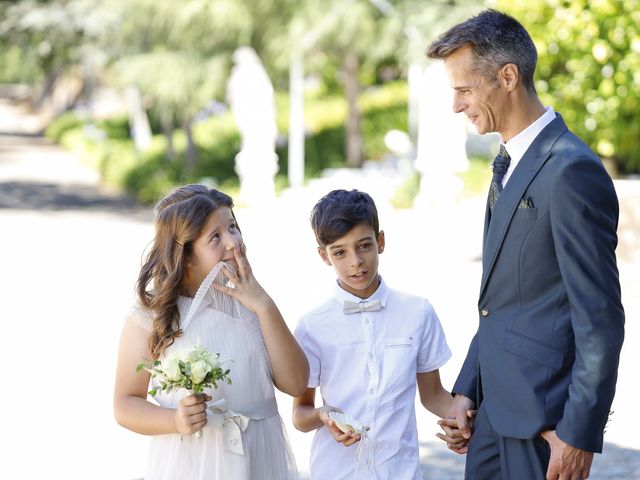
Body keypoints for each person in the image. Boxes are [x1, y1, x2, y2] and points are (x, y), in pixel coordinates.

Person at [426, 9, 625, 480]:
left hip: (545, 425)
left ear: (508, 76)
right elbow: (502, 303)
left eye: (465, 89)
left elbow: (600, 319)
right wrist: (465, 394)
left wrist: (578, 432)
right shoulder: (507, 162)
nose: (457, 105)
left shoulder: (571, 171)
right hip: (491, 415)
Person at [113, 184, 309, 479]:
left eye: (232, 227)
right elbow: (125, 404)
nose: (233, 242)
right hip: (195, 462)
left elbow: (296, 384)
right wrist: (175, 421)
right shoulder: (151, 316)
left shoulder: (251, 304)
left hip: (260, 457)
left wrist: (265, 306)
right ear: (187, 254)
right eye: (215, 236)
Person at [291, 189, 471, 479]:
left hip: (399, 470)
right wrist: (323, 415)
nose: (355, 261)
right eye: (340, 252)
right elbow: (301, 413)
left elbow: (433, 395)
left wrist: (464, 421)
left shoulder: (418, 312)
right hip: (336, 471)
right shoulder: (312, 325)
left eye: (364, 246)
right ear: (324, 256)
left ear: (381, 241)